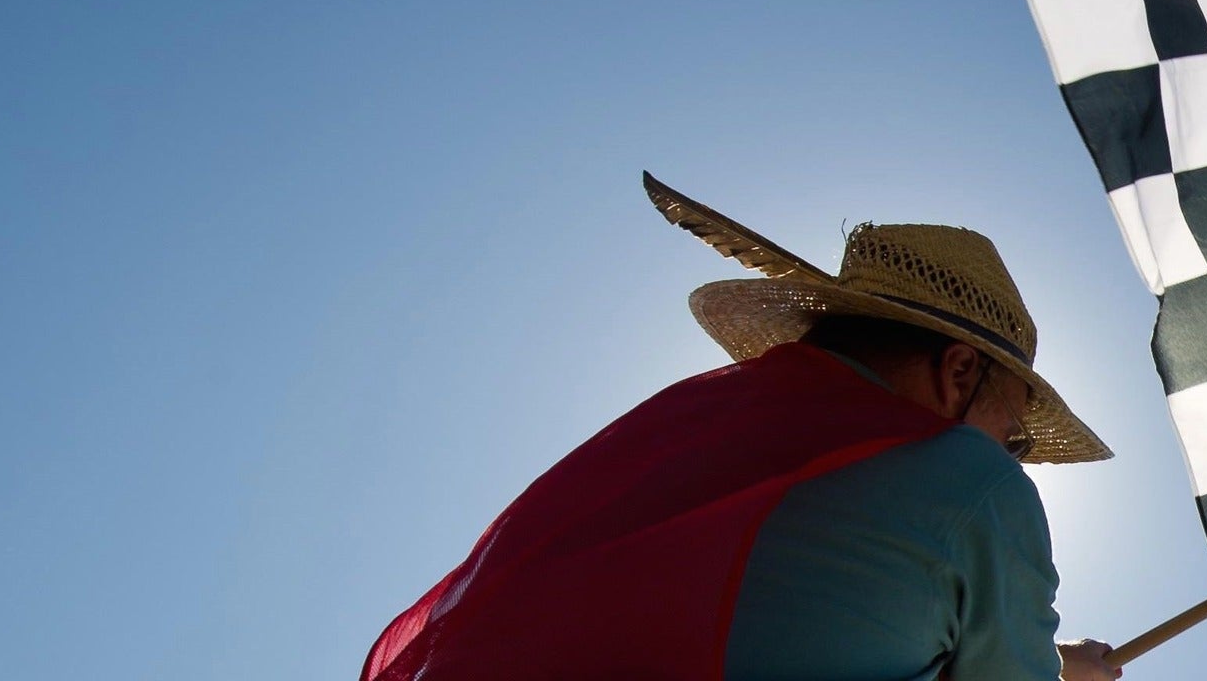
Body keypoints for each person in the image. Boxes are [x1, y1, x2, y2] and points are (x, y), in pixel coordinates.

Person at [360, 176, 1121, 681]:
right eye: (1015, 435)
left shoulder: (682, 432)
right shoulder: (970, 480)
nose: (1013, 456)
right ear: (959, 371)